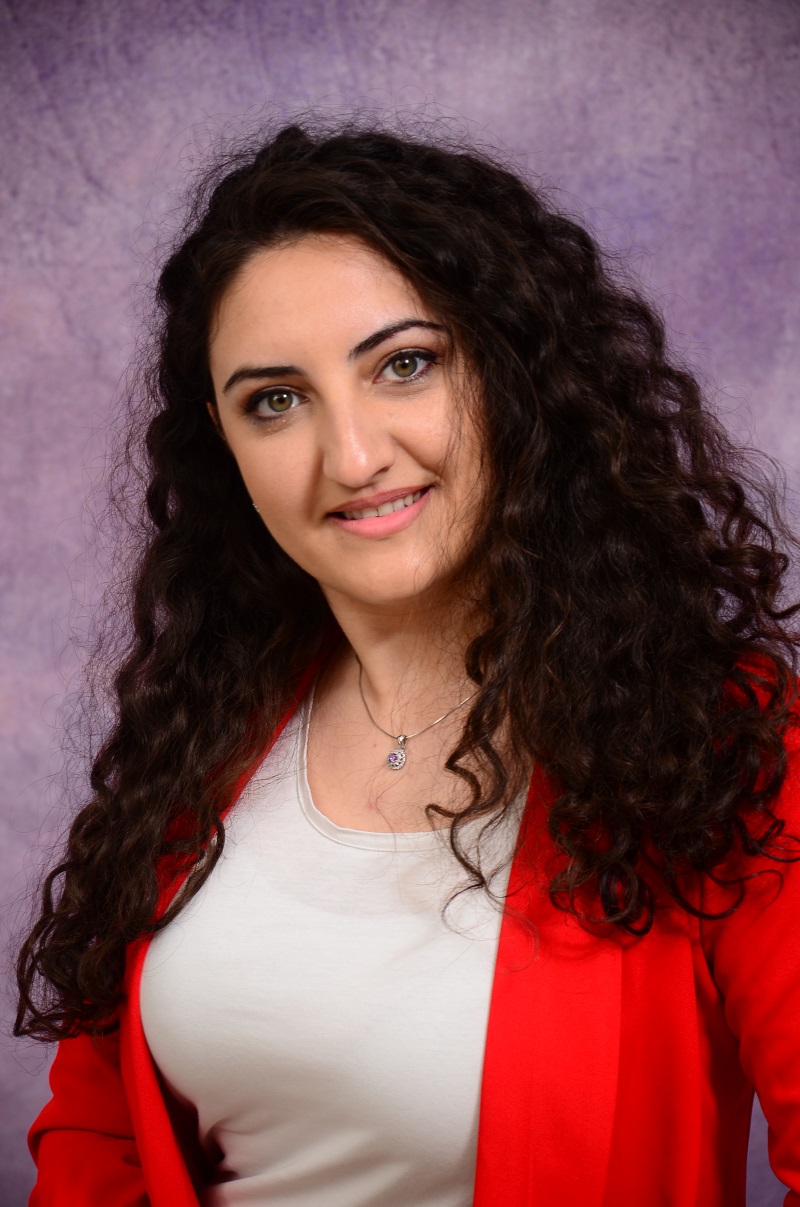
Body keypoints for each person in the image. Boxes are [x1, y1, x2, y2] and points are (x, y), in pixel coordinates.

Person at [15, 119, 800, 1207]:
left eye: (404, 365)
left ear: (513, 373)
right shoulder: (199, 734)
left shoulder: (715, 740)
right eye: (275, 400)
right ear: (224, 443)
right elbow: (96, 1133)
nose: (352, 455)